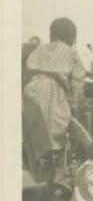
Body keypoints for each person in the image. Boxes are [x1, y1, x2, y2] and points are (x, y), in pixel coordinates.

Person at [23, 18, 86, 174]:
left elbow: (26, 75)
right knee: (56, 132)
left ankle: (37, 167)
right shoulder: (71, 53)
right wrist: (73, 104)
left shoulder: (38, 50)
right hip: (54, 92)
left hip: (31, 90)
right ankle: (55, 171)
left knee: (34, 132)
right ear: (72, 36)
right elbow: (77, 81)